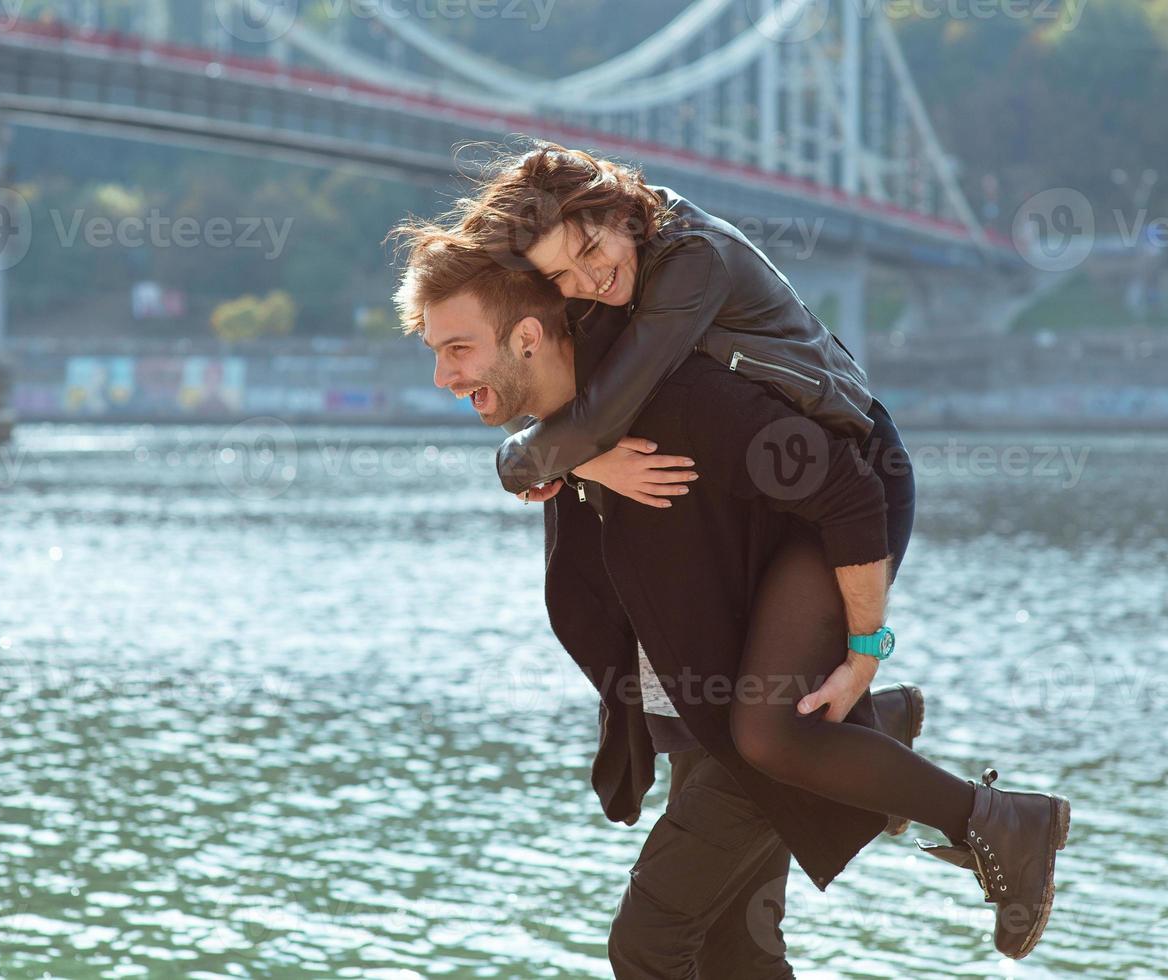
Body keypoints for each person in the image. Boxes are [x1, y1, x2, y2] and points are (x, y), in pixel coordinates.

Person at [390, 237, 1071, 968]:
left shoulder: (678, 398)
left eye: (456, 349)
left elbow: (850, 489)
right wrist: (559, 454)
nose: (441, 375)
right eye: (434, 351)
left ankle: (975, 805)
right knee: (736, 953)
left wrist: (864, 649)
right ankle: (872, 736)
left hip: (754, 714)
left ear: (527, 336)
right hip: (698, 714)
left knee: (650, 944)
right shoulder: (567, 429)